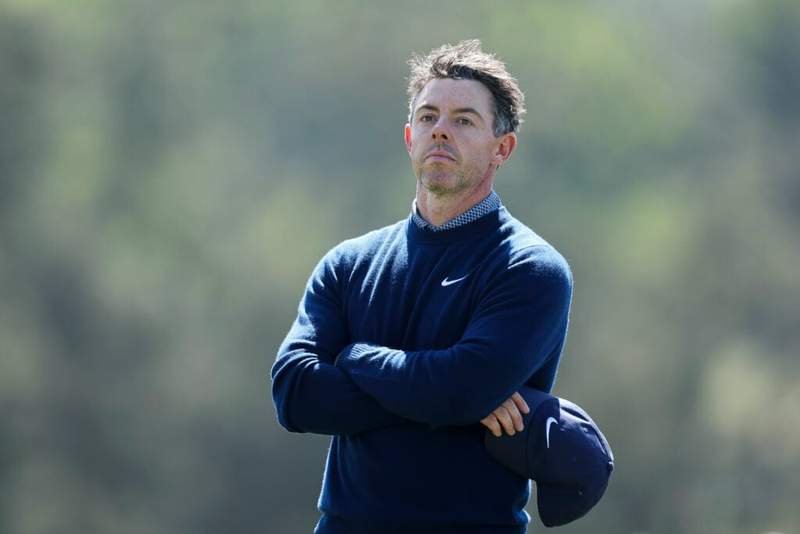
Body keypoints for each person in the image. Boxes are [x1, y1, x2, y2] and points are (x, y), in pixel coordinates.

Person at [271, 39, 573, 533]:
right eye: (429, 117)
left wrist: (354, 357)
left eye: (464, 120)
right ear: (410, 136)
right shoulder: (348, 263)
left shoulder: (530, 268)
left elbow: (459, 392)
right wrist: (448, 393)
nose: (441, 131)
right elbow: (295, 393)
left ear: (502, 148)